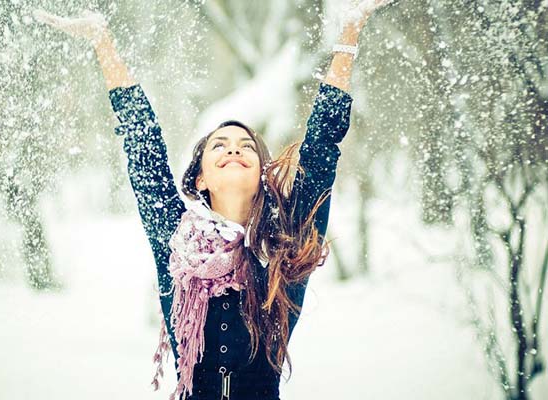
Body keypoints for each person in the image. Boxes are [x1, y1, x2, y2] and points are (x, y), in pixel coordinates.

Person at [35, 1, 394, 399]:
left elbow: (323, 145)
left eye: (246, 146)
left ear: (261, 172)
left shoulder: (284, 244)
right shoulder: (176, 240)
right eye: (219, 145)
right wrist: (104, 43)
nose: (233, 149)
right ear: (201, 176)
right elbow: (143, 144)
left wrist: (349, 32)